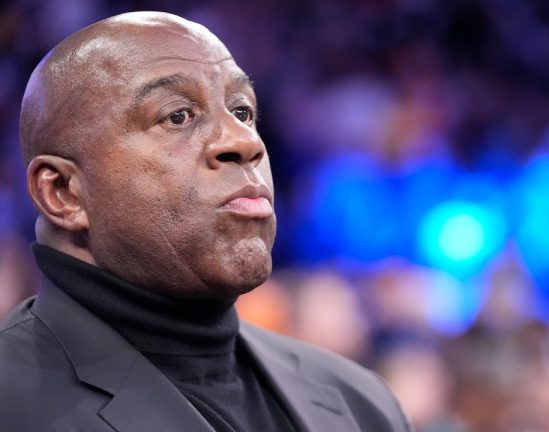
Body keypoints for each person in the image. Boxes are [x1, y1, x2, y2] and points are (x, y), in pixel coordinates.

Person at [0, 11, 411, 432]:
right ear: (63, 193)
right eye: (178, 115)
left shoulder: (362, 404)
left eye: (243, 111)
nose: (245, 141)